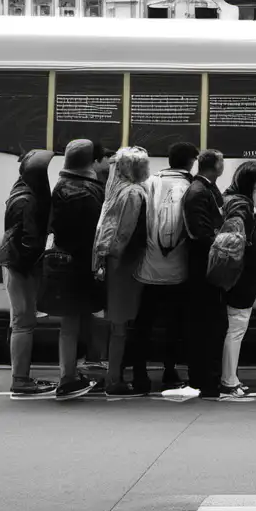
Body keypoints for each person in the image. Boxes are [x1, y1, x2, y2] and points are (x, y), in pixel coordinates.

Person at [131, 141, 198, 393]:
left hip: (148, 268)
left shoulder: (149, 183)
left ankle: (140, 375)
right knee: (174, 325)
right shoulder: (192, 186)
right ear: (191, 161)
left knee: (143, 324)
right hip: (178, 270)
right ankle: (170, 372)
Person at [50, 139, 107, 399]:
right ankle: (68, 378)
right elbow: (98, 232)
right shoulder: (91, 190)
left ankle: (71, 372)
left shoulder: (60, 186)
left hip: (64, 261)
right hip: (85, 263)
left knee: (71, 321)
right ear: (92, 162)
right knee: (77, 320)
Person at [92, 147, 151, 399]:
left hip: (113, 261)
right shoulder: (134, 193)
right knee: (120, 324)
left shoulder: (114, 190)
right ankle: (113, 378)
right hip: (125, 264)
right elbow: (124, 233)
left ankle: (112, 373)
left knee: (116, 322)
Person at [1, 149, 57, 397]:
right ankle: (20, 380)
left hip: (16, 262)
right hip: (18, 265)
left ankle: (21, 375)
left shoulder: (23, 191)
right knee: (23, 322)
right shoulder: (27, 199)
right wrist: (33, 266)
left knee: (20, 322)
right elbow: (28, 242)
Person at [220, 161, 256, 401]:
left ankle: (230, 378)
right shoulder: (243, 205)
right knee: (236, 328)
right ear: (255, 181)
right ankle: (229, 381)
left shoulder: (227, 198)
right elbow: (244, 241)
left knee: (231, 328)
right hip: (242, 275)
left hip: (231, 274)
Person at [182, 149, 228, 400]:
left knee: (210, 325)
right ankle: (206, 381)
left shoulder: (205, 188)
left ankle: (207, 378)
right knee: (208, 325)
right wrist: (224, 246)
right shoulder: (199, 191)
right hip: (204, 268)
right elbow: (201, 233)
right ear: (215, 165)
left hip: (208, 267)